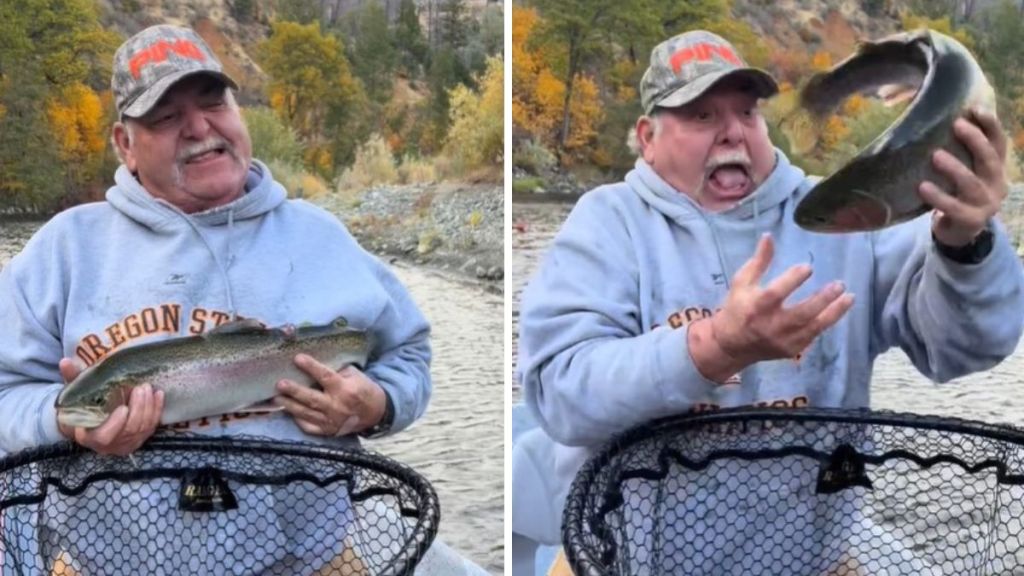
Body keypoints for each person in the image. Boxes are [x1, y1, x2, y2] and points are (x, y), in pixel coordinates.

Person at [512, 29, 1024, 574]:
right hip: (634, 563)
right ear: (648, 137)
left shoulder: (847, 217)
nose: (733, 132)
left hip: (811, 564)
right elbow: (558, 394)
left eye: (747, 113)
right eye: (702, 116)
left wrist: (966, 242)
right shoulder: (607, 224)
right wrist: (712, 348)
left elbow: (970, 348)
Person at [0, 24, 485, 575]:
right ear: (124, 144)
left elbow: (408, 355)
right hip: (105, 567)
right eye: (165, 116)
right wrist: (61, 421)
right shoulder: (63, 251)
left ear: (238, 111)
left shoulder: (321, 238)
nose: (199, 127)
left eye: (214, 102)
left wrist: (377, 404)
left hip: (308, 563)